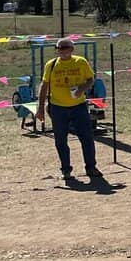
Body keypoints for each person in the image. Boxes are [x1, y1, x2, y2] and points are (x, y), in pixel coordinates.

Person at [36, 38, 101, 181]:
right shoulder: (51, 65)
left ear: (72, 49)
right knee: (60, 140)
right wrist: (40, 108)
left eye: (64, 47)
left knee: (87, 138)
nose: (61, 50)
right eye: (58, 48)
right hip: (58, 108)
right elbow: (44, 85)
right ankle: (66, 170)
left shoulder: (80, 62)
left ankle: (91, 167)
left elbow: (91, 79)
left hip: (79, 107)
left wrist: (81, 89)